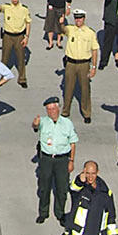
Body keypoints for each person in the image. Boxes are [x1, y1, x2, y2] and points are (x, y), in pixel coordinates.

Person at [34, 96, 77, 224]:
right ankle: (43, 212)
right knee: (44, 187)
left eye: (53, 108)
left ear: (58, 108)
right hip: (46, 159)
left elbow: (73, 142)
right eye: (48, 109)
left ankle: (60, 213)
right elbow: (35, 127)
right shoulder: (43, 121)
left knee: (62, 188)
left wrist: (71, 160)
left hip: (62, 160)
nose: (51, 111)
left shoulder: (67, 123)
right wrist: (35, 123)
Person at [61, 9, 99, 123]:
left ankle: (87, 113)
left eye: (80, 18)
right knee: (68, 89)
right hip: (71, 64)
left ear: (84, 18)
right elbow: (61, 30)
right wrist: (61, 22)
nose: (78, 20)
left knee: (85, 89)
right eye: (76, 18)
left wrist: (93, 67)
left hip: (84, 64)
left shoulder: (90, 33)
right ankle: (65, 111)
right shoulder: (70, 29)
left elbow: (94, 50)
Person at [0, 0, 31, 86]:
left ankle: (22, 79)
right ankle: (0, 78)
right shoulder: (7, 7)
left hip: (19, 36)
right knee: (5, 58)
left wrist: (27, 37)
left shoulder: (24, 9)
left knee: (20, 59)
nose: (14, 0)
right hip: (7, 36)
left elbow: (28, 23)